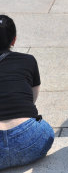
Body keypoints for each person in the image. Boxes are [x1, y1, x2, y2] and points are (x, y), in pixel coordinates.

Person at [0, 15, 54, 170]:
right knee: (46, 130)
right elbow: (32, 98)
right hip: (29, 141)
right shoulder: (28, 60)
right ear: (14, 40)